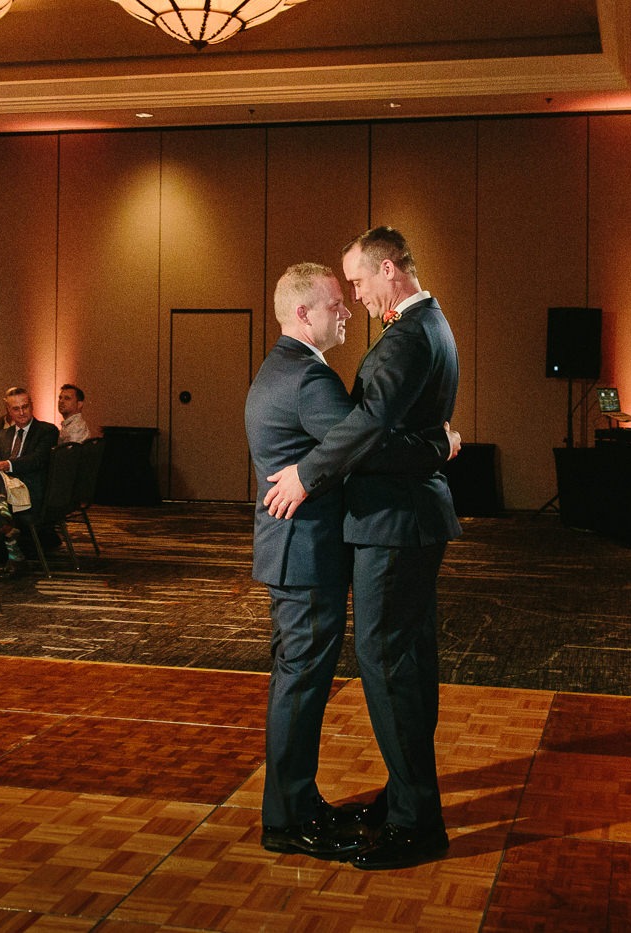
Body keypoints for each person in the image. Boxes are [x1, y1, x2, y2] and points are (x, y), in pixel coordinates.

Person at [264, 227, 461, 872]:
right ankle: (406, 799)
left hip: (392, 523)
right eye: (342, 291)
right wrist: (439, 446)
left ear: (388, 269)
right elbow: (378, 428)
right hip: (400, 520)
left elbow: (368, 430)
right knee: (405, 664)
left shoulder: (408, 334)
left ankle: (416, 823)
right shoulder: (429, 326)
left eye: (357, 282)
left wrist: (307, 474)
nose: (354, 297)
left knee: (390, 668)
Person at [0, 386, 60, 574]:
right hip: (4, 489)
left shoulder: (47, 430)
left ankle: (0, 517)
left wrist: (0, 465)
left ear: (31, 406)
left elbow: (36, 460)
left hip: (31, 492)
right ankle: (6, 526)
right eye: (16, 409)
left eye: (25, 407)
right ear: (8, 410)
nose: (22, 412)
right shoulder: (3, 435)